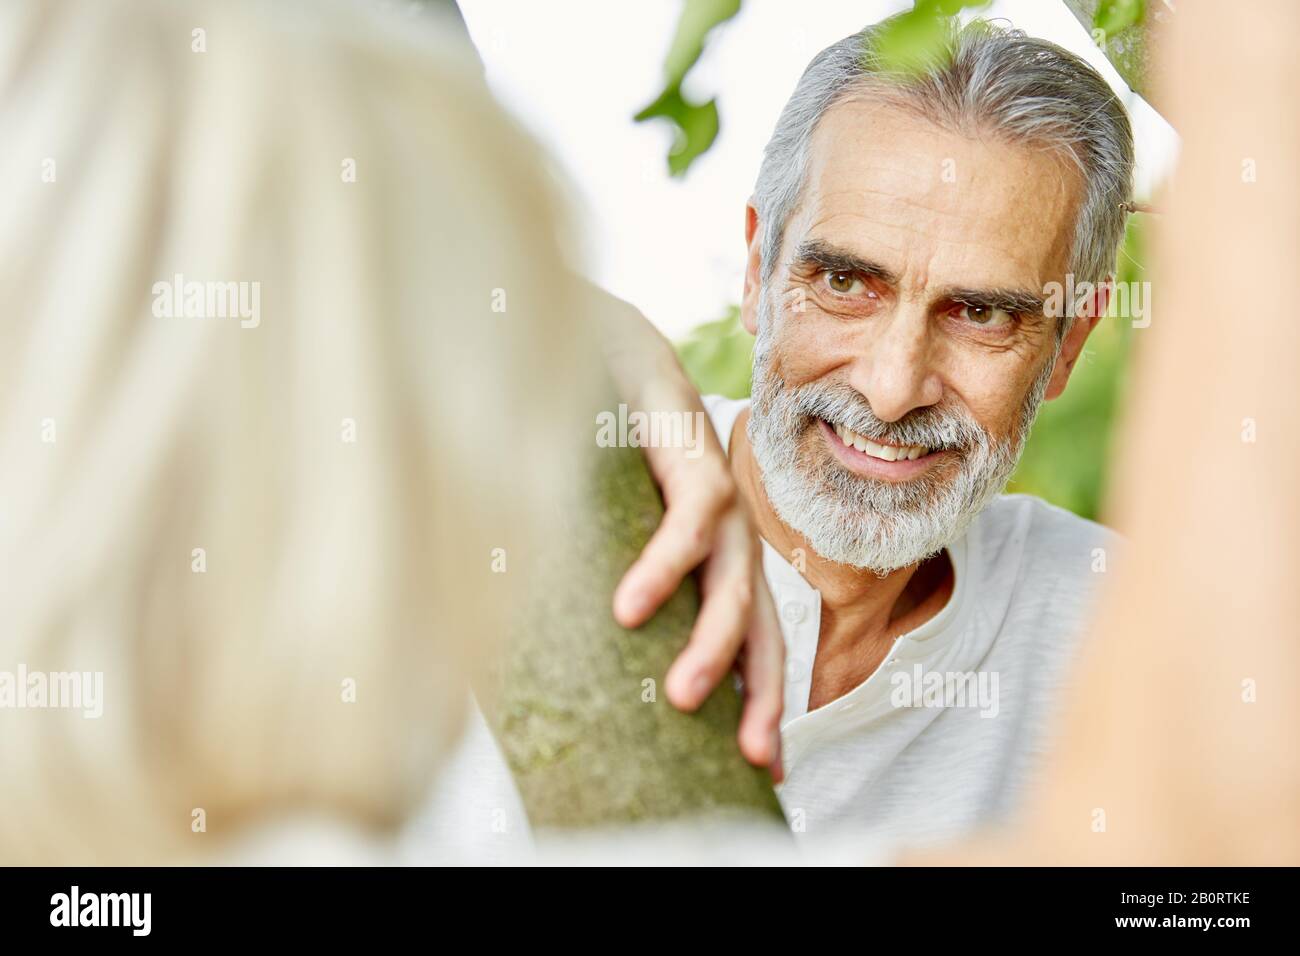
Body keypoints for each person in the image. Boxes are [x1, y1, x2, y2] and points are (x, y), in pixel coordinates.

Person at [432, 16, 1140, 855]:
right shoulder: (482, 527)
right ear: (756, 271)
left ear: (1068, 346)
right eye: (844, 281)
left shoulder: (1125, 628)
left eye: (981, 313)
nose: (890, 389)